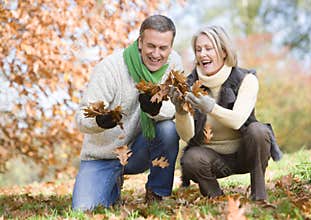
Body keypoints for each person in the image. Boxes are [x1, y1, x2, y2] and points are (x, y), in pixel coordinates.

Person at [72, 15, 184, 211]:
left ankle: (158, 193)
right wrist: (100, 121)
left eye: (163, 48)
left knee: (168, 130)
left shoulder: (174, 64)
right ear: (140, 42)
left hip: (139, 150)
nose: (156, 54)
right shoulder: (111, 68)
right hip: (104, 154)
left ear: (171, 47)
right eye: (151, 46)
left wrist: (156, 110)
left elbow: (178, 108)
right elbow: (81, 119)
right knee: (85, 209)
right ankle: (112, 182)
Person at [169, 25, 282, 201]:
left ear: (223, 51)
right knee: (191, 158)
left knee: (259, 131)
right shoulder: (189, 85)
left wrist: (211, 107)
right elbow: (187, 136)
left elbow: (237, 120)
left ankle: (259, 196)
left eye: (208, 48)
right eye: (198, 50)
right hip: (212, 159)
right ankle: (216, 198)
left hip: (246, 153)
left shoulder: (247, 79)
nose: (202, 54)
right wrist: (180, 111)